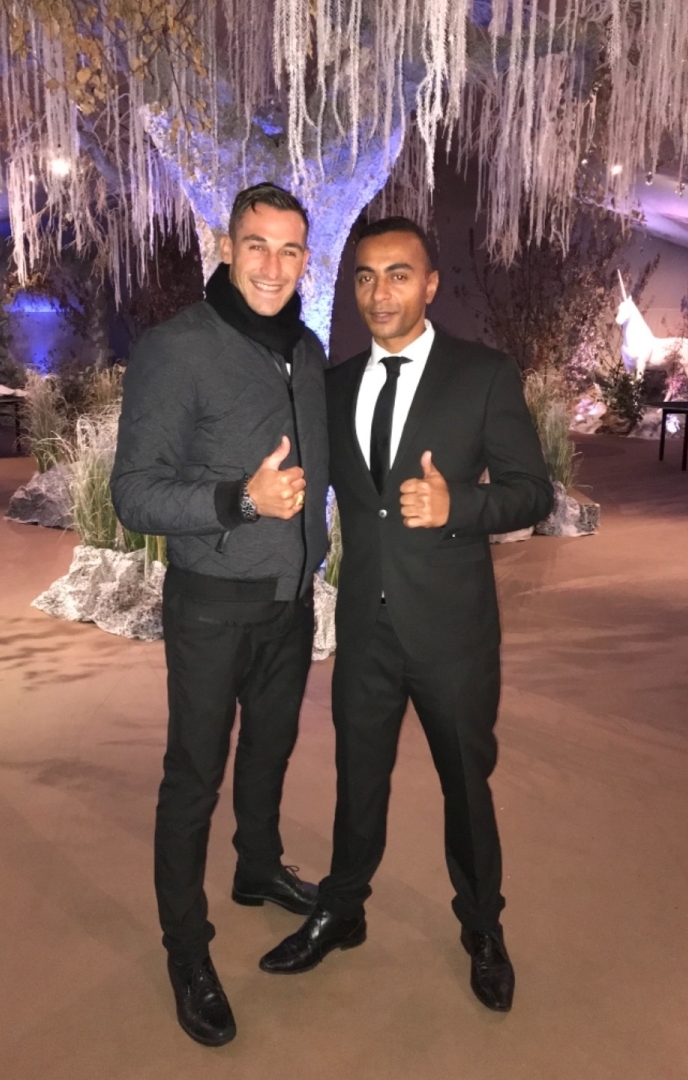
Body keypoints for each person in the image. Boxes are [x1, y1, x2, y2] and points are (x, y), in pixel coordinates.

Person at [259, 216, 553, 1013]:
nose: (379, 292)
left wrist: (463, 507)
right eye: (364, 276)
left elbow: (533, 491)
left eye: (397, 274)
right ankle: (342, 908)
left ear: (429, 285)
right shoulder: (334, 387)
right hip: (366, 626)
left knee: (466, 786)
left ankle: (482, 927)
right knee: (358, 780)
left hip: (452, 629)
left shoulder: (482, 374)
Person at [111, 183, 329, 1047]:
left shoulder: (307, 350)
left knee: (271, 750)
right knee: (194, 777)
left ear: (305, 258)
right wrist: (241, 500)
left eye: (290, 249)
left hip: (290, 602)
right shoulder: (177, 349)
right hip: (210, 605)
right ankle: (187, 949)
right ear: (228, 248)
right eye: (257, 245)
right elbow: (134, 494)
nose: (273, 266)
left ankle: (257, 868)